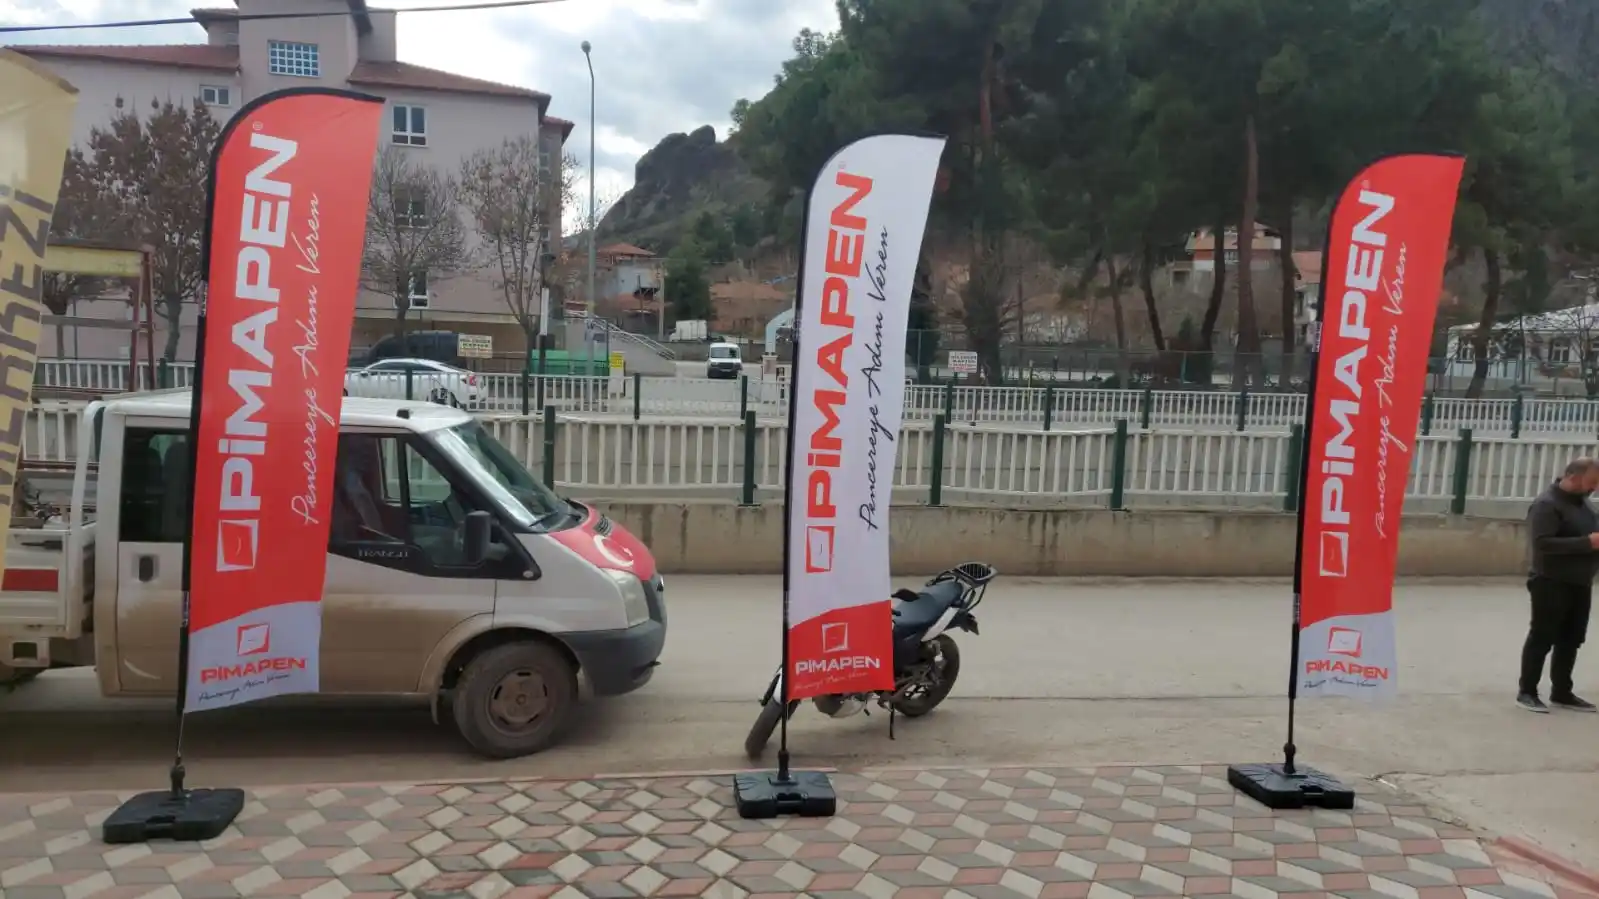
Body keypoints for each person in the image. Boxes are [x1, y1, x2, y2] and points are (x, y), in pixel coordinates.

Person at [1519, 457, 1599, 713]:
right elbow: (1542, 544)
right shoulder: (1546, 504)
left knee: (1571, 639)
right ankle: (1527, 692)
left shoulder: (1584, 504)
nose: (1594, 488)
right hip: (1550, 581)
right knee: (1542, 637)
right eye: (1592, 482)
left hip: (1580, 582)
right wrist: (1587, 543)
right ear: (1573, 476)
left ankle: (1562, 691)